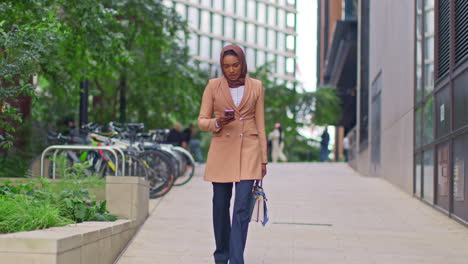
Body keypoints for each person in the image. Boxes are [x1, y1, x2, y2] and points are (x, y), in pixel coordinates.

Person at [198, 44, 268, 264]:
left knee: (241, 209)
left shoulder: (256, 86)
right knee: (220, 206)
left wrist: (263, 159)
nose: (231, 70)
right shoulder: (212, 86)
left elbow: (261, 123)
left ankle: (237, 259)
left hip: (249, 151)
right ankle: (222, 256)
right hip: (222, 152)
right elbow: (201, 121)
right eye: (226, 66)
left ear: (243, 63)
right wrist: (217, 122)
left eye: (235, 65)